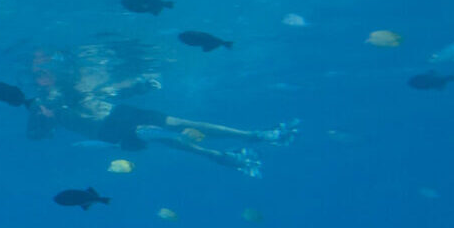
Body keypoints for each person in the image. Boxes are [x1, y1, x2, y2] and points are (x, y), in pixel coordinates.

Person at [21, 42, 292, 177]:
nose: (41, 76)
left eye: (44, 70)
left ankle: (248, 139)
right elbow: (35, 135)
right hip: (105, 129)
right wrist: (46, 119)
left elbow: (108, 90)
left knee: (178, 125)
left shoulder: (68, 83)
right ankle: (228, 153)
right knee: (166, 137)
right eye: (38, 72)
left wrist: (140, 87)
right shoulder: (39, 103)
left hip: (119, 113)